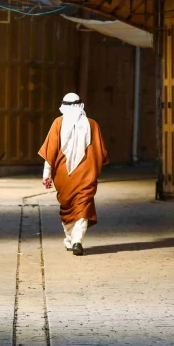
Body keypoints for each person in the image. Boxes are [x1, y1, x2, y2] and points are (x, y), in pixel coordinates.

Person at [39, 93, 109, 256]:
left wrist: (46, 173)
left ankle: (74, 239)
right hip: (86, 173)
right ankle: (74, 239)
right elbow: (100, 152)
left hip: (64, 175)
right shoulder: (92, 125)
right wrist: (94, 170)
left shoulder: (58, 123)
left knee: (68, 206)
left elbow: (51, 151)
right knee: (83, 204)